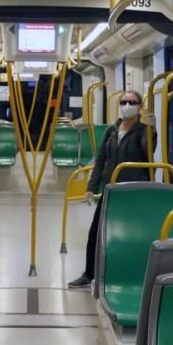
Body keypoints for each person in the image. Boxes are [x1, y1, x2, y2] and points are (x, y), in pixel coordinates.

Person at [68, 90, 152, 289]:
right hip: (110, 189)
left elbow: (148, 150)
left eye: (132, 102)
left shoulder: (145, 131)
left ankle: (132, 275)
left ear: (140, 106)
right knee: (95, 233)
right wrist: (91, 186)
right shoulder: (112, 130)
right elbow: (100, 160)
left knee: (132, 235)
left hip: (134, 191)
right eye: (124, 101)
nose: (127, 105)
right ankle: (89, 274)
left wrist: (150, 128)